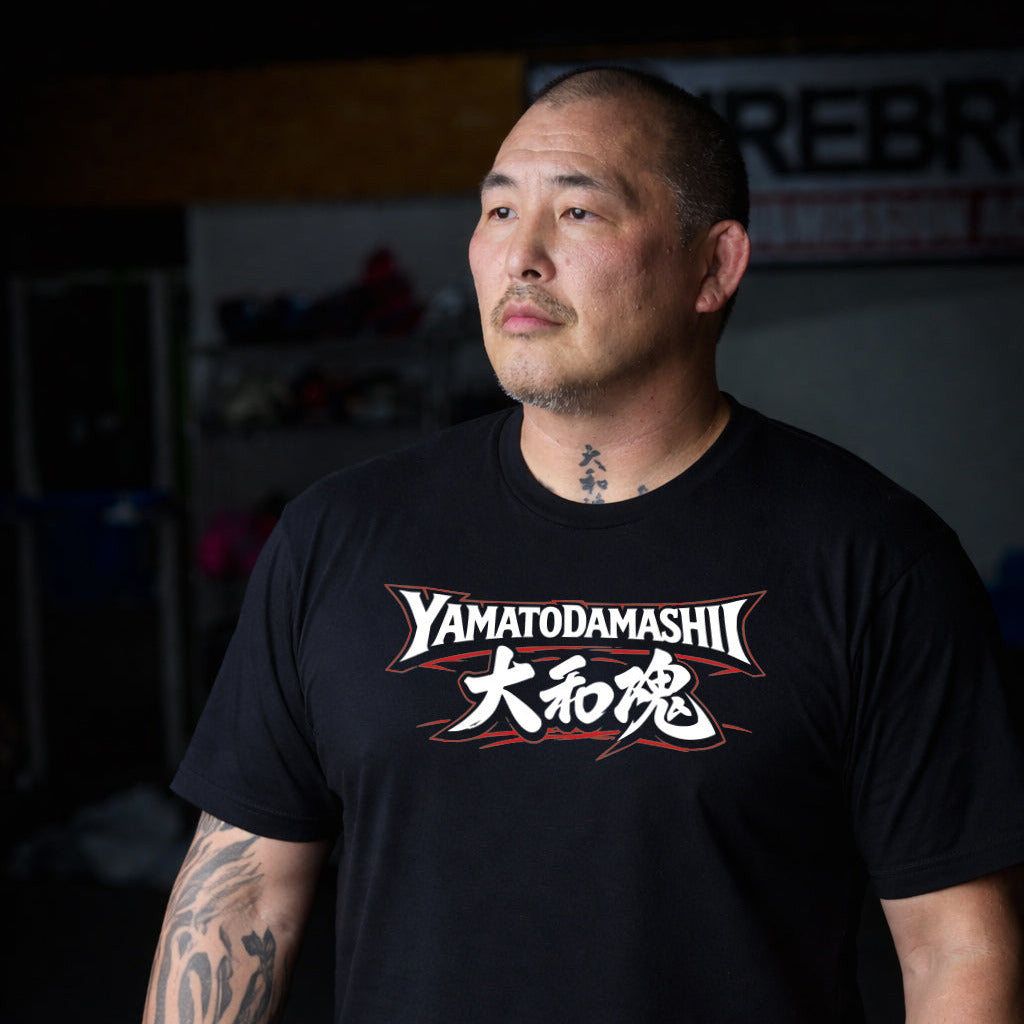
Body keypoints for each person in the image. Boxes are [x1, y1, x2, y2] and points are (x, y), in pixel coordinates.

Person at [143, 66, 1024, 1024]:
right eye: (497, 211)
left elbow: (955, 948)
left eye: (577, 213)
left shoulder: (874, 560)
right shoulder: (338, 536)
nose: (520, 257)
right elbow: (239, 898)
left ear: (714, 266)